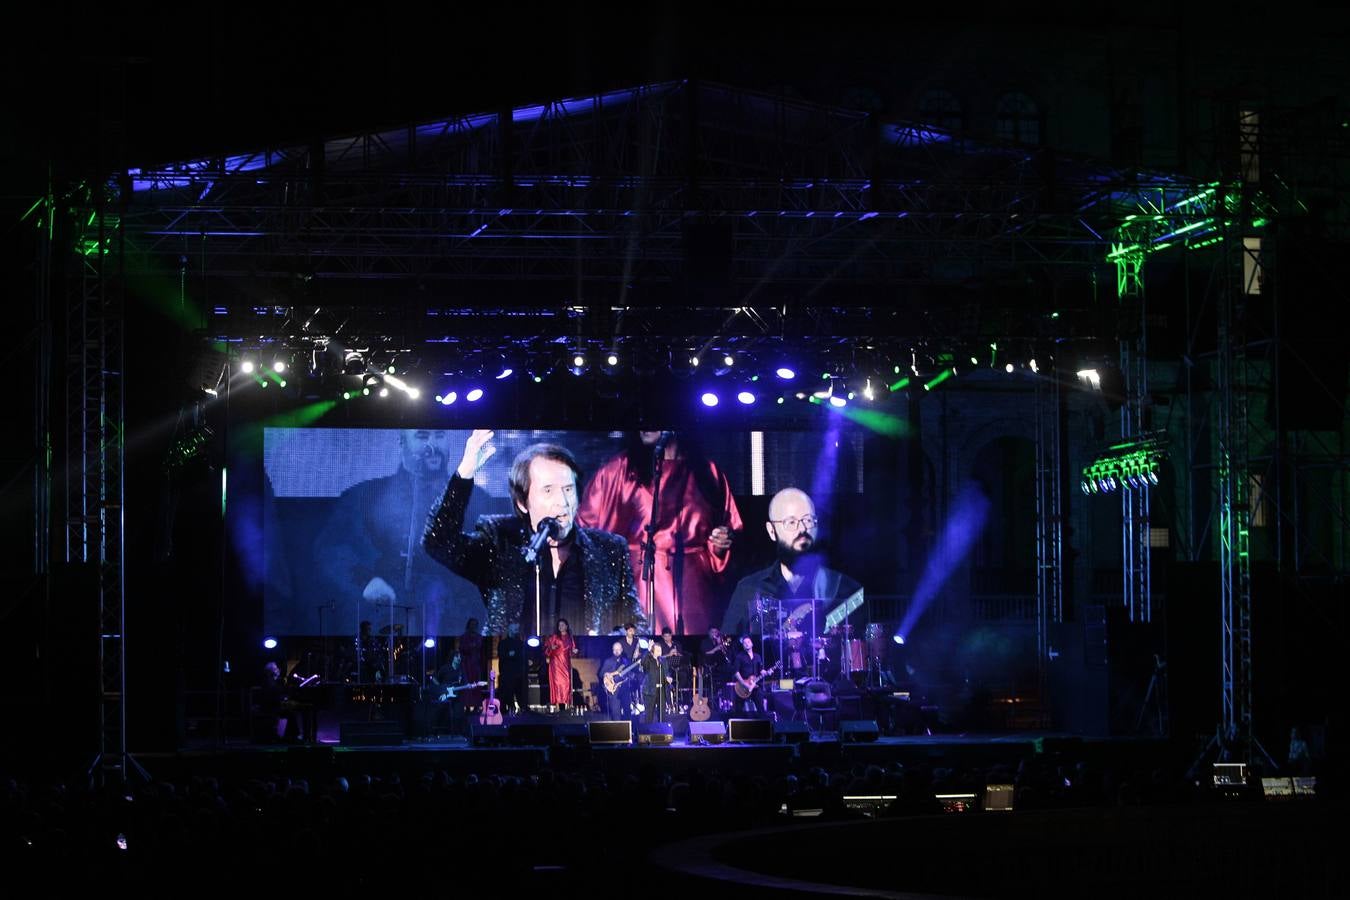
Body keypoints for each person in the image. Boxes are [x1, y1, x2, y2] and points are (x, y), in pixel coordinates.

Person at [423, 430, 643, 639]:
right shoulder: (500, 541)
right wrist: (465, 474)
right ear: (522, 502)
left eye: (568, 489)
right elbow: (438, 542)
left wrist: (603, 641)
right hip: (516, 665)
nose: (562, 502)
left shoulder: (609, 550)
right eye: (548, 490)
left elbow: (637, 625)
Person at [312, 429, 487, 637]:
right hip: (381, 621)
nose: (432, 446)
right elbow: (330, 547)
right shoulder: (364, 496)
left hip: (451, 623)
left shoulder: (478, 500)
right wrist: (365, 582)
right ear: (402, 442)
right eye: (422, 437)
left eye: (439, 436)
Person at [578, 431, 743, 635]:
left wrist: (720, 543)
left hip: (693, 591)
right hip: (639, 585)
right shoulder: (618, 471)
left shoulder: (708, 472)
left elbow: (729, 530)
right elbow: (585, 533)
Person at [722, 488, 864, 676]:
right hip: (769, 684)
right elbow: (728, 641)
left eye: (808, 520)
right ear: (772, 531)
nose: (802, 529)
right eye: (791, 522)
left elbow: (859, 648)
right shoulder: (748, 588)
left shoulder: (844, 588)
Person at [542, 618, 577, 712]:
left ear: (566, 626)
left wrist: (574, 651)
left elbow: (572, 651)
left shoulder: (570, 637)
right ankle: (559, 707)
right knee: (557, 684)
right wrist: (551, 647)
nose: (561, 627)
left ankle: (566, 706)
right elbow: (546, 649)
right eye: (559, 625)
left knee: (566, 683)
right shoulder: (555, 637)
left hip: (565, 664)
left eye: (562, 625)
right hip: (556, 664)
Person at [597, 641, 636, 720]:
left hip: (624, 688)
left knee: (627, 711)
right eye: (615, 649)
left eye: (618, 649)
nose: (617, 651)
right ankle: (617, 730)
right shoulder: (608, 661)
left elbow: (630, 674)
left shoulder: (626, 661)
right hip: (613, 690)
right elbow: (601, 674)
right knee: (616, 713)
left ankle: (628, 730)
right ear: (612, 650)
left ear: (621, 650)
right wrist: (607, 674)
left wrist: (632, 675)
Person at [733, 635, 771, 714]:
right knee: (738, 710)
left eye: (748, 642)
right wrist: (744, 684)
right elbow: (736, 672)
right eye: (744, 643)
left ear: (752, 644)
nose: (746, 644)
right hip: (742, 687)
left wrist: (767, 672)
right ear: (743, 646)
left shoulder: (758, 656)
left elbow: (761, 670)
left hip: (755, 685)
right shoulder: (739, 657)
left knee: (761, 708)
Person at [497, 621, 527, 715]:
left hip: (519, 673)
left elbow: (523, 656)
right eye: (515, 629)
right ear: (510, 630)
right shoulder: (503, 643)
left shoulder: (521, 643)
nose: (517, 631)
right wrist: (509, 655)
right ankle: (509, 709)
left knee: (520, 692)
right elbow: (502, 655)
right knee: (508, 692)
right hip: (507, 673)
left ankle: (522, 708)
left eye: (517, 629)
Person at [639, 641, 670, 723]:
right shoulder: (648, 660)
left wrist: (668, 678)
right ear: (652, 651)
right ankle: (648, 733)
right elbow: (643, 663)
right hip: (650, 690)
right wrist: (647, 650)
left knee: (662, 714)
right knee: (649, 714)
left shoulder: (663, 660)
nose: (660, 652)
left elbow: (667, 673)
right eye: (658, 651)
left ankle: (662, 732)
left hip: (661, 690)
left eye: (661, 650)